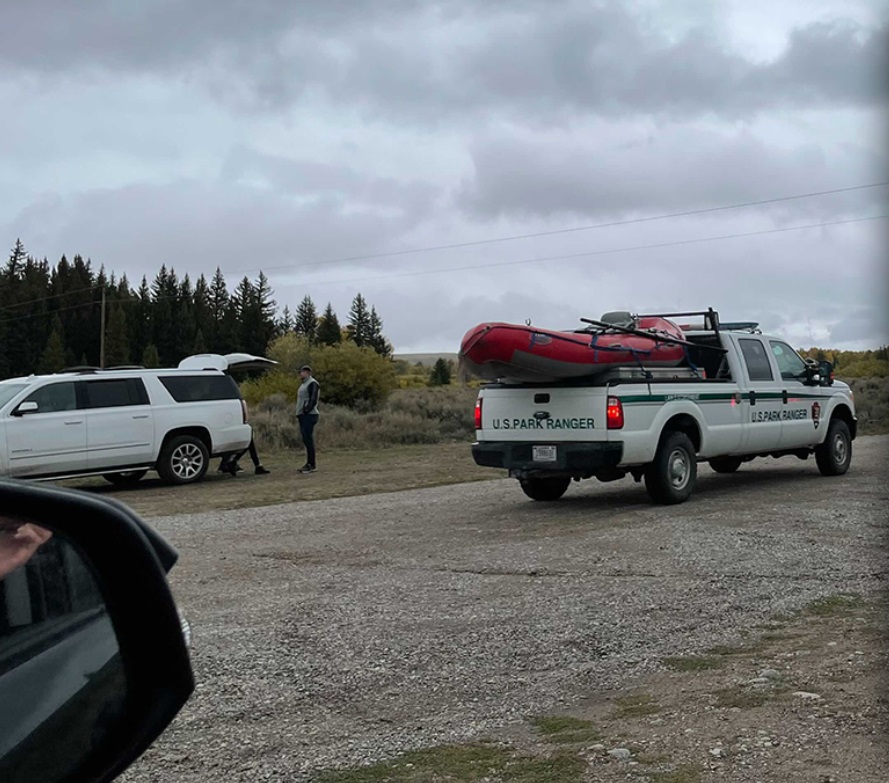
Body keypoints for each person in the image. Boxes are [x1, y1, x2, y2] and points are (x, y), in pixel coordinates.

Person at [296, 364, 320, 473]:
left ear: (308, 373)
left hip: (309, 415)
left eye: (303, 372)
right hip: (303, 414)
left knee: (308, 439)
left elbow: (313, 398)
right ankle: (309, 463)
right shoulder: (304, 384)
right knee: (306, 439)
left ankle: (311, 464)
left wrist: (306, 410)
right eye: (301, 372)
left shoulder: (312, 383)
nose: (301, 374)